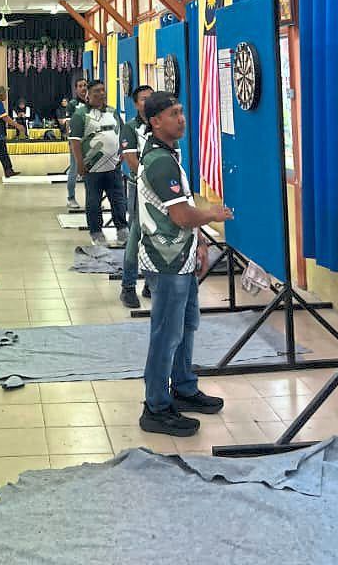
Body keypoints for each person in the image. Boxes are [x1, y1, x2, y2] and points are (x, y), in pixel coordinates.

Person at [138, 91, 232, 438]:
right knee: (167, 333)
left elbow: (181, 205)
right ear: (155, 121)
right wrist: (213, 215)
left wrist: (201, 240)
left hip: (181, 255)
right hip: (166, 260)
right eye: (173, 113)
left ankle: (184, 387)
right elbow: (181, 215)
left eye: (181, 111)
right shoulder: (160, 162)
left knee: (187, 324)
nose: (181, 118)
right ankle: (156, 406)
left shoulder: (168, 154)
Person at [69, 79, 128, 247]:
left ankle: (122, 229)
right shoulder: (80, 115)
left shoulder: (113, 112)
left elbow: (122, 134)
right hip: (92, 168)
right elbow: (75, 142)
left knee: (118, 199)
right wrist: (80, 164)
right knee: (93, 201)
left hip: (114, 167)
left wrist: (123, 152)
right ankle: (96, 232)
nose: (101, 94)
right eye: (96, 91)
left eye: (103, 90)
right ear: (88, 94)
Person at [119, 84, 154, 310]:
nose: (147, 102)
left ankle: (151, 283)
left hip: (161, 194)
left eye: (151, 98)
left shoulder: (161, 124)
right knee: (135, 237)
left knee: (156, 237)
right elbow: (131, 161)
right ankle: (128, 286)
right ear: (135, 104)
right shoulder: (131, 128)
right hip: (139, 188)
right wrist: (151, 178)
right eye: (143, 99)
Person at [65, 77, 88, 211]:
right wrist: (71, 140)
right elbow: (68, 124)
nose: (83, 88)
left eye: (85, 85)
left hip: (90, 143)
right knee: (74, 170)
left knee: (90, 173)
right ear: (76, 88)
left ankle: (92, 198)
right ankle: (71, 198)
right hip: (76, 142)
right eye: (80, 86)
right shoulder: (72, 104)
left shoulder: (91, 103)